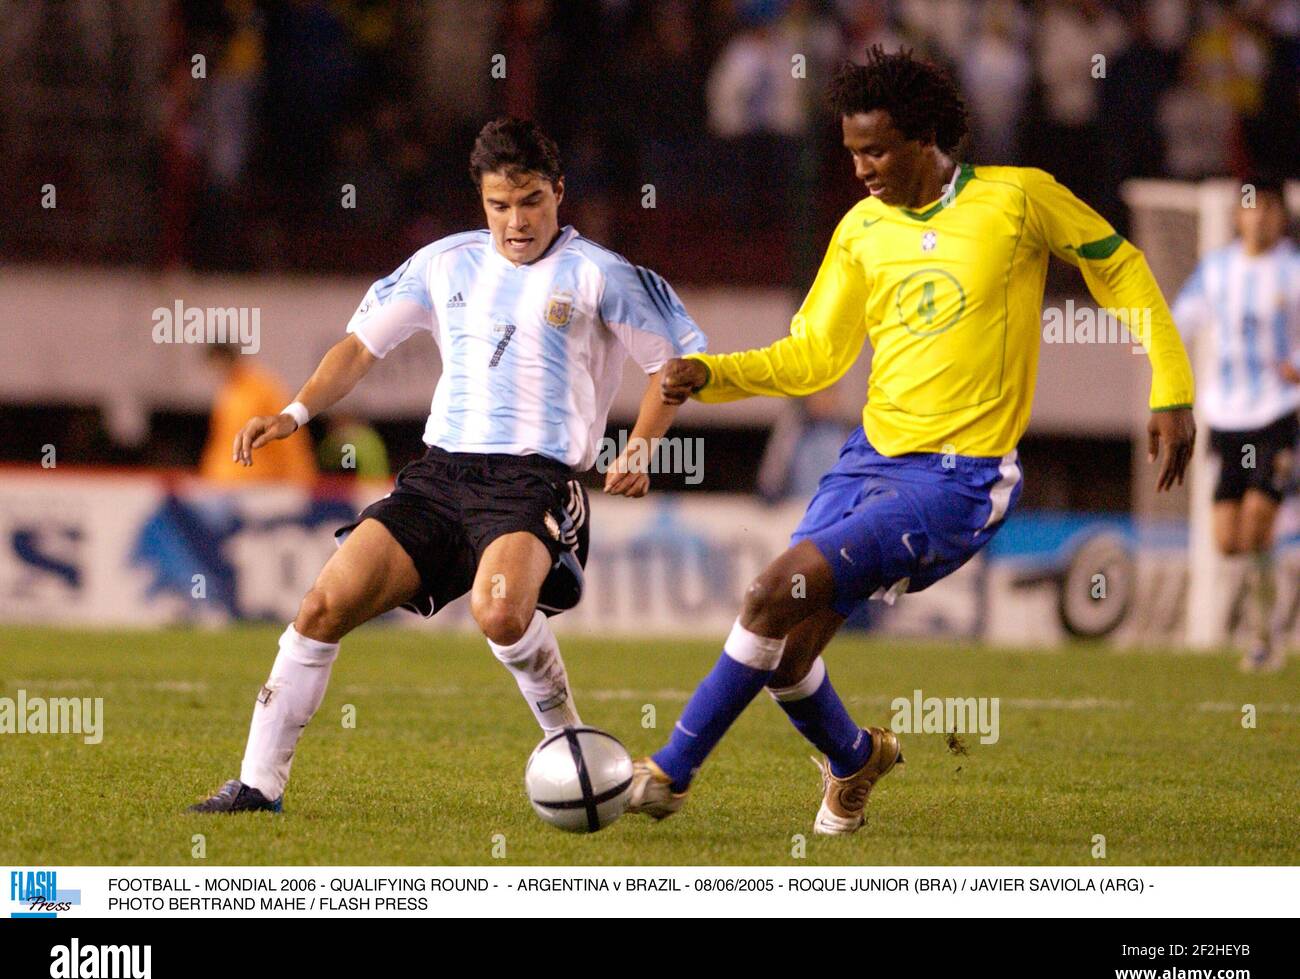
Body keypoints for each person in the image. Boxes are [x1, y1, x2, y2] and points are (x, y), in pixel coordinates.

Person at [628, 47, 1196, 834]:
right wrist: (710, 374)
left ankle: (667, 775)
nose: (860, 167)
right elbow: (812, 356)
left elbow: (1122, 269)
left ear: (925, 138)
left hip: (958, 479)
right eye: (851, 151)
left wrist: (1170, 385)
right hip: (865, 463)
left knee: (765, 593)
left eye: (876, 149)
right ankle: (856, 758)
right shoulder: (862, 229)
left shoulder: (1018, 199)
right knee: (788, 656)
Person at [190, 117, 705, 813]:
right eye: (499, 205)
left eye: (530, 202)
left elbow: (674, 368)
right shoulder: (445, 263)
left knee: (499, 613)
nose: (516, 221)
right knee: (321, 606)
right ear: (482, 201)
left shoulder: (601, 275)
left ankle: (573, 754)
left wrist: (640, 448)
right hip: (439, 476)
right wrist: (296, 414)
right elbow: (359, 348)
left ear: (559, 192)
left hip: (532, 480)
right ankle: (256, 788)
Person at [1172, 180, 1300, 673]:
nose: (1260, 217)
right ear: (1236, 216)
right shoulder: (1218, 269)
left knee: (1256, 524)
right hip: (1225, 418)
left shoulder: (1291, 269)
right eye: (1251, 207)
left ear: (1281, 218)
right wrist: (1150, 339)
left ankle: (1265, 638)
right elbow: (1182, 316)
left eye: (1269, 208)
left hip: (1276, 414)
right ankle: (1268, 614)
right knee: (1229, 541)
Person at [198, 342, 317, 486]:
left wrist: (300, 479)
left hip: (259, 482)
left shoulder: (263, 389)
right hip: (226, 482)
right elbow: (222, 440)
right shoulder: (228, 392)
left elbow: (290, 435)